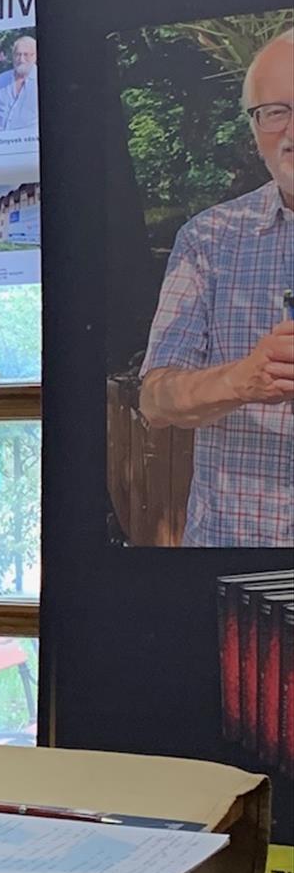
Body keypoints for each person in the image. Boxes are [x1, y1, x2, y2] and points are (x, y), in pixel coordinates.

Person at [139, 30, 294, 547]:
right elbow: (155, 399)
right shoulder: (209, 239)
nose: (291, 130)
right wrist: (243, 380)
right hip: (229, 562)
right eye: (275, 112)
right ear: (254, 128)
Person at [0, 34, 38, 133]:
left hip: (27, 141)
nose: (21, 59)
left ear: (35, 56)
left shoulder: (41, 82)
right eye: (18, 54)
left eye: (26, 55)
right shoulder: (1, 80)